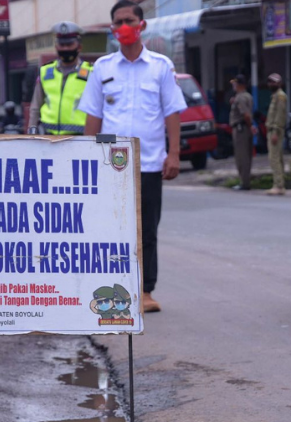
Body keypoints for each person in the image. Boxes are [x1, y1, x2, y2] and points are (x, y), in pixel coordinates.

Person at [79, 0, 187, 313]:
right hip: (109, 165)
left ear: (142, 25)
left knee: (147, 229)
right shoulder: (102, 68)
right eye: (118, 22)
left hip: (150, 162)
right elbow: (93, 117)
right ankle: (110, 292)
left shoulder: (161, 66)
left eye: (129, 20)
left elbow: (172, 113)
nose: (123, 26)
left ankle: (146, 291)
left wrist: (174, 154)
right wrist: (89, 158)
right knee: (110, 229)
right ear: (112, 29)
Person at [29, 21, 93, 135]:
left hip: (79, 139)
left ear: (79, 47)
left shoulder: (91, 73)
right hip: (47, 138)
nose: (65, 49)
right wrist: (32, 128)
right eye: (62, 45)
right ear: (56, 47)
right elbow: (35, 106)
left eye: (69, 45)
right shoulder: (45, 71)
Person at [229, 74, 257, 191]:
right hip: (244, 128)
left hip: (241, 129)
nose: (233, 86)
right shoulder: (248, 96)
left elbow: (245, 114)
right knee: (247, 155)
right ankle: (245, 181)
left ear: (240, 85)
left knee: (242, 157)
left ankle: (244, 182)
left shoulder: (240, 98)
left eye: (235, 84)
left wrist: (251, 126)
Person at [265, 73, 288, 195]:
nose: (270, 84)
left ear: (279, 83)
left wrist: (275, 132)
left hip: (276, 131)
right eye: (269, 82)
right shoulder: (275, 96)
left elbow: (279, 116)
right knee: (277, 157)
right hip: (273, 130)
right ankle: (279, 184)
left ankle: (278, 185)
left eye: (273, 82)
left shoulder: (280, 96)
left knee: (274, 158)